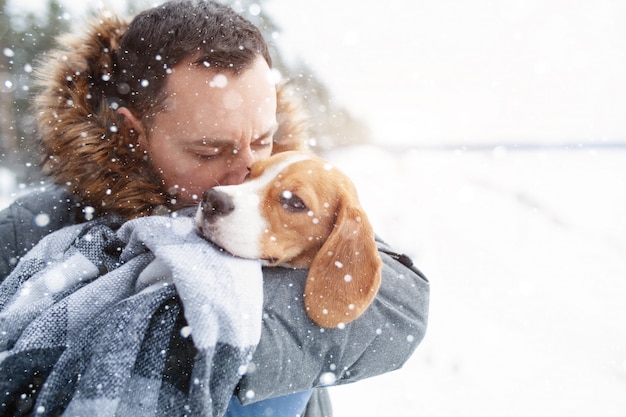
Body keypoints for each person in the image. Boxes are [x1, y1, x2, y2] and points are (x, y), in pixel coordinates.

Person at [0, 1, 429, 416]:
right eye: (209, 150)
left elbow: (400, 304)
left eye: (262, 140)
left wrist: (205, 330)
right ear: (132, 132)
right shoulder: (25, 232)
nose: (245, 172)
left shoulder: (298, 199)